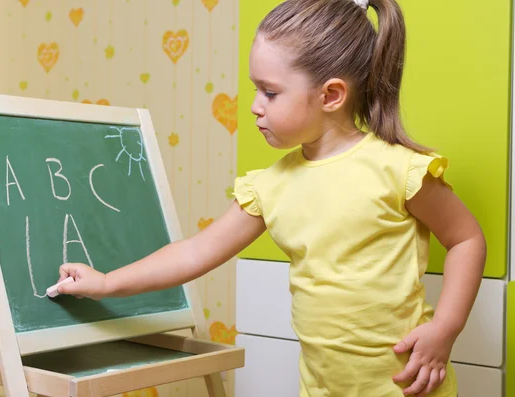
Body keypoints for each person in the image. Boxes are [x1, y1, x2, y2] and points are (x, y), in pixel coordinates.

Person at [56, 0, 486, 395]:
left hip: (405, 388)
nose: (255, 107)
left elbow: (466, 239)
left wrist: (444, 329)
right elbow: (195, 252)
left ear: (331, 95)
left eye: (271, 92)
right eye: (255, 90)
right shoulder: (269, 186)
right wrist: (106, 283)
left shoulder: (398, 170)